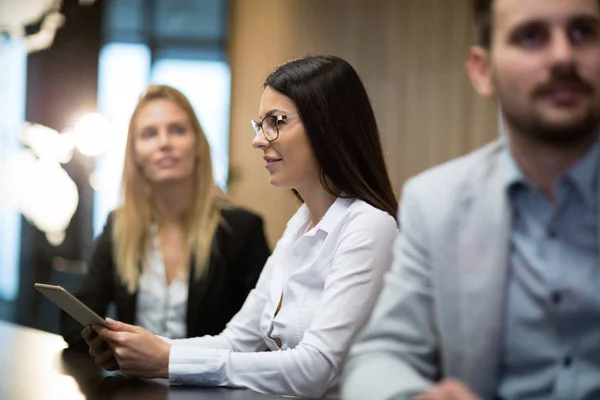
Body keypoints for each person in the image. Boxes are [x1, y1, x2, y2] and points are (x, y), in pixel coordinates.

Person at [83, 55, 399, 398]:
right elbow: (236, 340)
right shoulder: (298, 228)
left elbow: (315, 369)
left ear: (327, 126)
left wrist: (167, 359)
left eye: (276, 121)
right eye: (261, 124)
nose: (259, 140)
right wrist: (136, 348)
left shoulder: (368, 227)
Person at [342, 0, 600, 399]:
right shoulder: (435, 203)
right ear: (483, 71)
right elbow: (382, 356)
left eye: (583, 32)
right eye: (531, 36)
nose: (563, 56)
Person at [61, 85, 270, 350]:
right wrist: (106, 344)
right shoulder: (119, 226)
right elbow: (74, 323)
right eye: (149, 134)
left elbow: (263, 337)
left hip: (213, 388)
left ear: (197, 145)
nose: (164, 143)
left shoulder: (241, 230)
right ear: (135, 153)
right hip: (133, 387)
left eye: (177, 130)